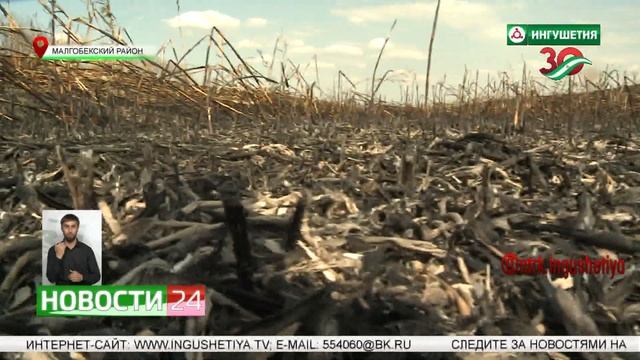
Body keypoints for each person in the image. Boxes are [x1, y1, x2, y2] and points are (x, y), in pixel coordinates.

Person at [46, 213, 101, 285]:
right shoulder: (53, 250)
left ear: (77, 228)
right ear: (62, 228)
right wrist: (58, 257)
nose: (70, 230)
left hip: (83, 293)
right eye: (66, 226)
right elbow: (51, 278)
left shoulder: (87, 250)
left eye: (73, 226)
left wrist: (82, 277)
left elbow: (97, 276)